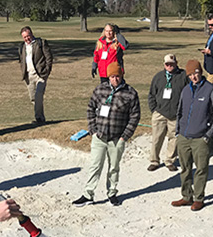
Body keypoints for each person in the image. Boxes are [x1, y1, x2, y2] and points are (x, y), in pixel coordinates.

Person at [73, 62, 140, 207]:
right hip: (99, 136)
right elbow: (91, 108)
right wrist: (93, 130)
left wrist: (125, 136)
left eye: (117, 76)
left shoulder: (130, 93)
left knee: (114, 167)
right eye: (112, 76)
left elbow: (134, 117)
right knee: (95, 165)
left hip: (117, 138)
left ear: (122, 75)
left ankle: (112, 193)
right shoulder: (100, 90)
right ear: (108, 76)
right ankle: (88, 194)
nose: (115, 79)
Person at [170, 59, 213, 211]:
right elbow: (179, 112)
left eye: (196, 73)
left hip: (200, 138)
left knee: (201, 169)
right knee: (185, 169)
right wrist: (178, 132)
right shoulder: (185, 90)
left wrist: (208, 135)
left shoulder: (210, 89)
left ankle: (199, 198)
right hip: (184, 137)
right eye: (191, 74)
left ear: (201, 72)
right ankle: (186, 196)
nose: (194, 77)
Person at [147, 54, 187, 172]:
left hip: (175, 113)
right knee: (156, 138)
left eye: (172, 64)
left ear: (176, 63)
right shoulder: (158, 77)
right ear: (164, 64)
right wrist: (154, 109)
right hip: (160, 112)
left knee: (173, 138)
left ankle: (169, 160)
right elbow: (151, 95)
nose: (169, 66)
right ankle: (154, 160)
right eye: (167, 64)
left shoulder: (183, 75)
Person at [18, 26, 53, 124]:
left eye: (28, 36)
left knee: (38, 95)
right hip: (29, 76)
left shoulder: (40, 43)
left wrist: (47, 71)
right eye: (24, 37)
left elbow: (49, 57)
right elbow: (21, 60)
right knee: (33, 98)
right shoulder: (22, 46)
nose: (27, 39)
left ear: (32, 34)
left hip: (40, 74)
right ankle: (40, 118)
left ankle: (39, 119)